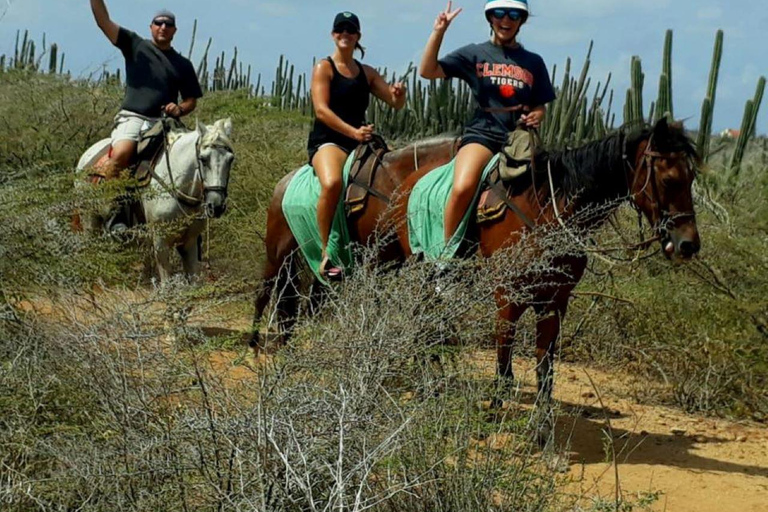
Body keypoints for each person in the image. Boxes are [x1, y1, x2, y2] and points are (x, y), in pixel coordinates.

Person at [419, 0, 556, 247]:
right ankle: (445, 259)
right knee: (463, 187)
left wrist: (538, 115)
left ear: (521, 21)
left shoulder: (533, 62)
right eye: (500, 13)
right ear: (490, 18)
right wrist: (439, 31)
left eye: (514, 14)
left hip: (519, 139)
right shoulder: (475, 53)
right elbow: (428, 71)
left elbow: (540, 103)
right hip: (483, 135)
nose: (506, 20)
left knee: (548, 188)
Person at [308, 11, 407, 279]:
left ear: (358, 36)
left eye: (350, 30)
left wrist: (399, 95)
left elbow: (395, 104)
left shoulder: (367, 73)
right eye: (340, 29)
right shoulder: (324, 67)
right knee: (332, 184)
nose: (345, 34)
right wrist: (353, 132)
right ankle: (326, 251)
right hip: (329, 141)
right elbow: (321, 111)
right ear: (333, 34)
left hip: (361, 142)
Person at [89, 1, 203, 232]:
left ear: (174, 30)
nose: (163, 27)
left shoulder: (183, 64)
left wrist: (179, 109)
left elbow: (192, 99)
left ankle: (191, 226)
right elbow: (103, 22)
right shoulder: (135, 45)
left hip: (164, 122)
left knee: (195, 157)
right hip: (133, 117)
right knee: (122, 153)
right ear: (151, 27)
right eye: (159, 23)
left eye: (168, 24)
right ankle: (115, 213)